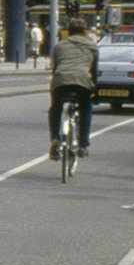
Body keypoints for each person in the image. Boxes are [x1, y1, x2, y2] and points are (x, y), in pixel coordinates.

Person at [48, 17, 97, 159]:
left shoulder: (59, 46)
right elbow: (94, 70)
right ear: (84, 32)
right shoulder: (92, 46)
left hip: (61, 80)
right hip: (82, 81)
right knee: (86, 109)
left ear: (68, 32)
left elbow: (55, 67)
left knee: (55, 108)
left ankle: (55, 139)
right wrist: (94, 86)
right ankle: (83, 145)